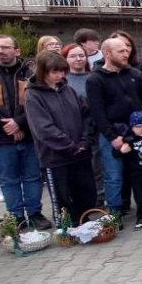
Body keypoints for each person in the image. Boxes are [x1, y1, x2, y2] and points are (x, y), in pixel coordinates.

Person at [0, 35, 50, 229]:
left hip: (29, 134)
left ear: (16, 50)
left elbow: (39, 102)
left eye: (5, 47)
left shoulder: (30, 73)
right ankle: (16, 217)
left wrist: (19, 123)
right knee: (8, 180)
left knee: (33, 177)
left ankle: (35, 213)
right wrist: (5, 125)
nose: (0, 51)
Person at [85, 38, 142, 217]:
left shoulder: (135, 74)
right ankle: (115, 213)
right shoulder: (95, 79)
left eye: (127, 50)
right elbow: (97, 111)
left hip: (139, 132)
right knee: (114, 175)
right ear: (107, 53)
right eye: (120, 51)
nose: (126, 54)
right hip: (113, 133)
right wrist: (111, 136)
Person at [24, 51, 97, 226]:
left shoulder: (68, 90)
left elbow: (86, 116)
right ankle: (66, 228)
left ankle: (83, 222)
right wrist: (69, 145)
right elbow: (43, 128)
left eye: (62, 71)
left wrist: (85, 140)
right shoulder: (33, 95)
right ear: (43, 71)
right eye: (54, 72)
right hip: (56, 157)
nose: (60, 75)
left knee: (85, 192)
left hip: (80, 152)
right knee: (62, 197)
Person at [61, 43, 104, 205]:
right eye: (73, 56)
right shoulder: (63, 81)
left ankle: (99, 197)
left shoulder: (94, 78)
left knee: (97, 166)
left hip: (96, 130)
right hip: (74, 132)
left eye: (81, 55)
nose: (78, 59)